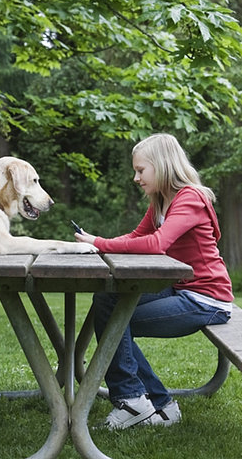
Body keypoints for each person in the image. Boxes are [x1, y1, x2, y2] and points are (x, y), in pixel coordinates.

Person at [75, 133, 233, 429]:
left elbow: (157, 243)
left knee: (116, 323)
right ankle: (157, 402)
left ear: (161, 166)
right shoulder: (161, 200)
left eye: (140, 170)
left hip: (206, 299)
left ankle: (135, 401)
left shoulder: (190, 197)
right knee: (107, 301)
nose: (136, 177)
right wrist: (97, 243)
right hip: (181, 288)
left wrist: (101, 242)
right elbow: (136, 238)